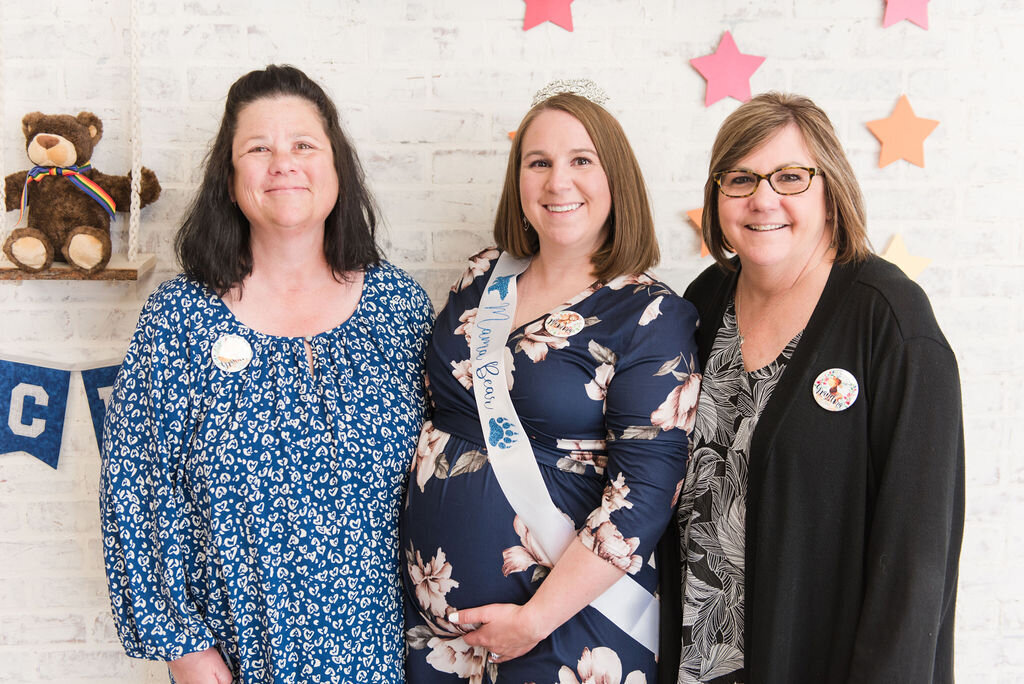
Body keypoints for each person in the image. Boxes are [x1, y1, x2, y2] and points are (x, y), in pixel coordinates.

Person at [100, 65, 433, 683]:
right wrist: (185, 650)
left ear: (337, 171)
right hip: (232, 660)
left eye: (304, 145)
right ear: (229, 181)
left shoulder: (399, 309)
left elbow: (445, 478)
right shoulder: (180, 318)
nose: (283, 163)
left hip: (385, 655)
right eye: (258, 148)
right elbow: (137, 490)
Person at [400, 80, 701, 683]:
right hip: (437, 632)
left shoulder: (650, 315)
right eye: (539, 163)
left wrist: (534, 620)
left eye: (581, 161)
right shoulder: (485, 275)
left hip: (569, 627)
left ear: (616, 179)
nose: (557, 182)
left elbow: (644, 494)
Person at [666, 92, 964, 683]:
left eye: (790, 177)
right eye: (741, 178)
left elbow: (916, 554)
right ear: (716, 194)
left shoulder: (889, 320)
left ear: (831, 189)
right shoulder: (699, 307)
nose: (763, 199)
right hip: (694, 663)